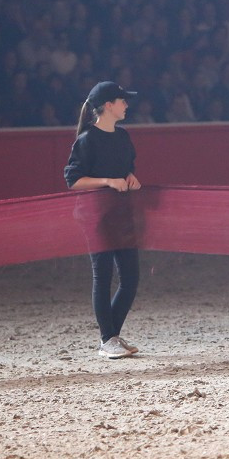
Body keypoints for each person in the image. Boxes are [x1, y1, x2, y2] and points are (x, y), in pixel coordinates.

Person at [64, 80, 144, 359]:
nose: (126, 105)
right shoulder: (86, 140)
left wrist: (130, 177)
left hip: (121, 213)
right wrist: (108, 181)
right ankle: (107, 339)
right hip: (95, 214)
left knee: (131, 277)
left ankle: (111, 336)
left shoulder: (123, 137)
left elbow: (128, 167)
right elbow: (73, 180)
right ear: (108, 106)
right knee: (104, 275)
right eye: (122, 101)